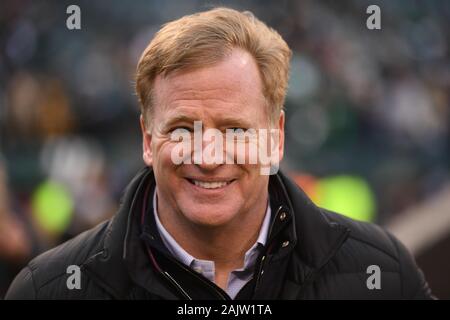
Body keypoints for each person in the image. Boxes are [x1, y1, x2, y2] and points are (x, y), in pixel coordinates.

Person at [6, 7, 433, 300]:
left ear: (276, 137)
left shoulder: (384, 272)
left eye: (234, 129)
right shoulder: (48, 289)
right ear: (147, 140)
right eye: (181, 129)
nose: (209, 156)